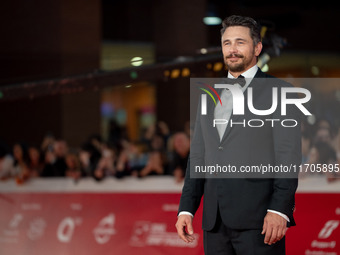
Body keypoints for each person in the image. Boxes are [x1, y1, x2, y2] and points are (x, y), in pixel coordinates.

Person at [175, 15, 301, 255]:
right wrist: (186, 209)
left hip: (260, 222)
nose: (232, 49)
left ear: (257, 48)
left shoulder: (280, 91)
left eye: (240, 42)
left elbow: (288, 156)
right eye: (227, 43)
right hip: (215, 223)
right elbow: (198, 157)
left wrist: (280, 210)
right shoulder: (208, 96)